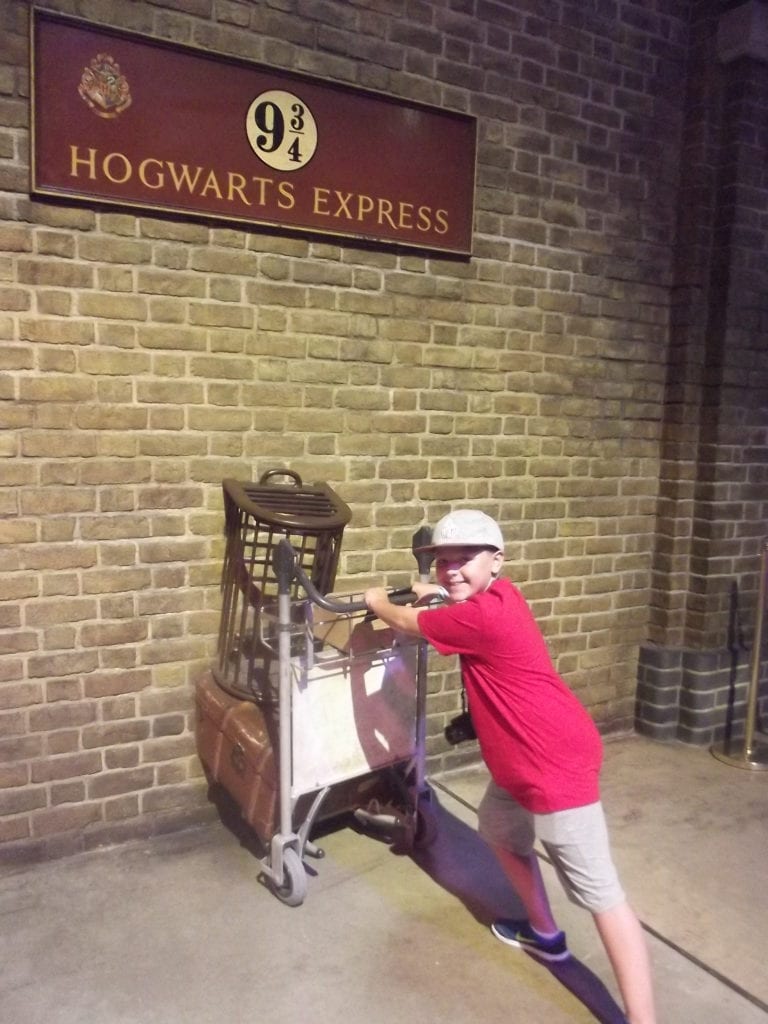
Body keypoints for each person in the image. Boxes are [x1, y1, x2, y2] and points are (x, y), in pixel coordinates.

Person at [364, 509, 656, 1024]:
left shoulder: (479, 618)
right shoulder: (498, 598)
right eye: (443, 561)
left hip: (552, 765)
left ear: (496, 561)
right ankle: (545, 935)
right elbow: (451, 608)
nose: (452, 569)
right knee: (498, 831)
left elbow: (408, 622)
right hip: (518, 762)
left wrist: (377, 602)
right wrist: (437, 592)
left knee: (601, 895)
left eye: (465, 558)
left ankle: (643, 1018)